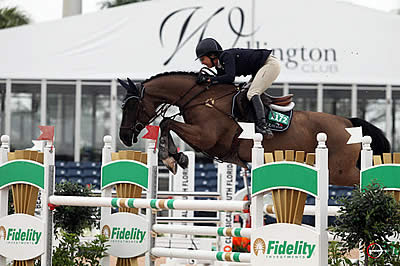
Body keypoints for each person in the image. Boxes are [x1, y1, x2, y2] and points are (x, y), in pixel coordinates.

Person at [195, 37, 280, 138]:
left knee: (252, 93)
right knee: (245, 93)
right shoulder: (220, 66)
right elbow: (223, 83)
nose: (202, 63)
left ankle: (263, 126)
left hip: (269, 64)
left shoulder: (226, 56)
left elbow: (230, 78)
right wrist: (206, 82)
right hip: (260, 69)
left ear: (212, 55)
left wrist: (209, 80)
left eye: (202, 59)